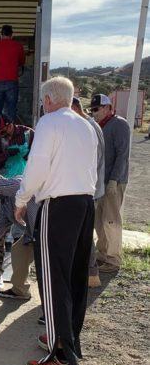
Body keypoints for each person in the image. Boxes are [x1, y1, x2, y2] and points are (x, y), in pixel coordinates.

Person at [15, 77, 97, 365]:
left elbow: (37, 165)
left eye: (42, 101)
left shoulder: (49, 122)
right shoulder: (85, 125)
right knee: (75, 278)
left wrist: (21, 198)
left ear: (49, 100)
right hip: (85, 204)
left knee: (53, 279)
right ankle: (68, 340)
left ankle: (61, 359)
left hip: (59, 206)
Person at [0, 116, 34, 290]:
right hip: (3, 192)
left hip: (24, 192)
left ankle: (20, 281)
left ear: (12, 125)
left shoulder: (29, 135)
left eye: (4, 132)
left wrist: (26, 154)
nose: (2, 136)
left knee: (25, 238)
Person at [0, 176, 39, 301]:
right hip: (32, 234)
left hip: (46, 231)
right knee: (18, 251)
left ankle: (54, 303)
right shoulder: (5, 204)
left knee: (48, 267)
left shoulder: (16, 185)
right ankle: (20, 290)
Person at [90, 94, 130, 272]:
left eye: (97, 109)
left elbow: (123, 154)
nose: (94, 112)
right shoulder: (99, 125)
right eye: (92, 109)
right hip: (100, 182)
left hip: (114, 181)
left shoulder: (119, 124)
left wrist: (114, 179)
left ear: (107, 108)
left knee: (111, 220)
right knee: (99, 221)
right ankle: (102, 254)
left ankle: (113, 259)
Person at [71, 97, 105, 287]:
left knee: (84, 233)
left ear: (74, 108)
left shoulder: (86, 127)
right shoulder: (91, 125)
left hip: (88, 190)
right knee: (84, 232)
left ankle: (91, 273)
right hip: (92, 188)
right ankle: (88, 272)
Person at [0, 25, 25, 123]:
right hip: (12, 82)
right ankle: (11, 133)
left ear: (1, 35)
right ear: (12, 35)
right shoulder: (18, 46)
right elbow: (21, 61)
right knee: (11, 108)